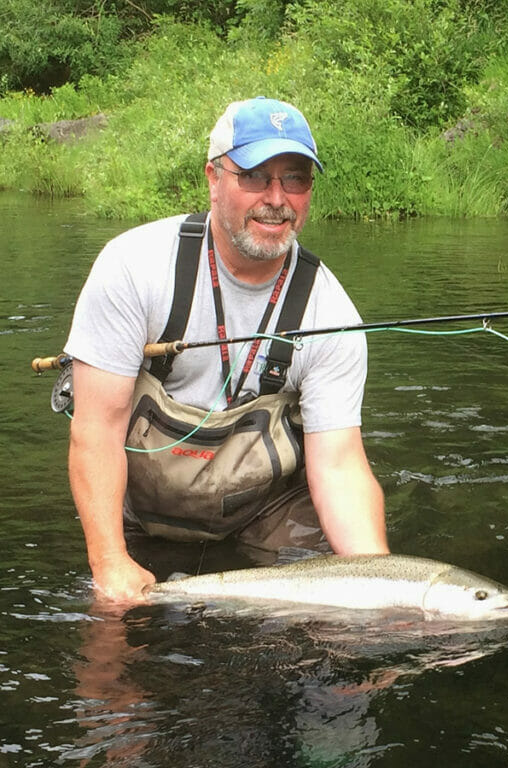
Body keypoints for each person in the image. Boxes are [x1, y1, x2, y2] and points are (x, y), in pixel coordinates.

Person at [65, 97, 389, 603]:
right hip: (137, 511)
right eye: (256, 176)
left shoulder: (332, 313)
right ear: (213, 179)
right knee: (111, 645)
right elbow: (96, 428)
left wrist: (380, 588)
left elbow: (339, 465)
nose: (277, 199)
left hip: (262, 516)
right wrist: (108, 562)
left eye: (296, 179)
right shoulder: (134, 266)